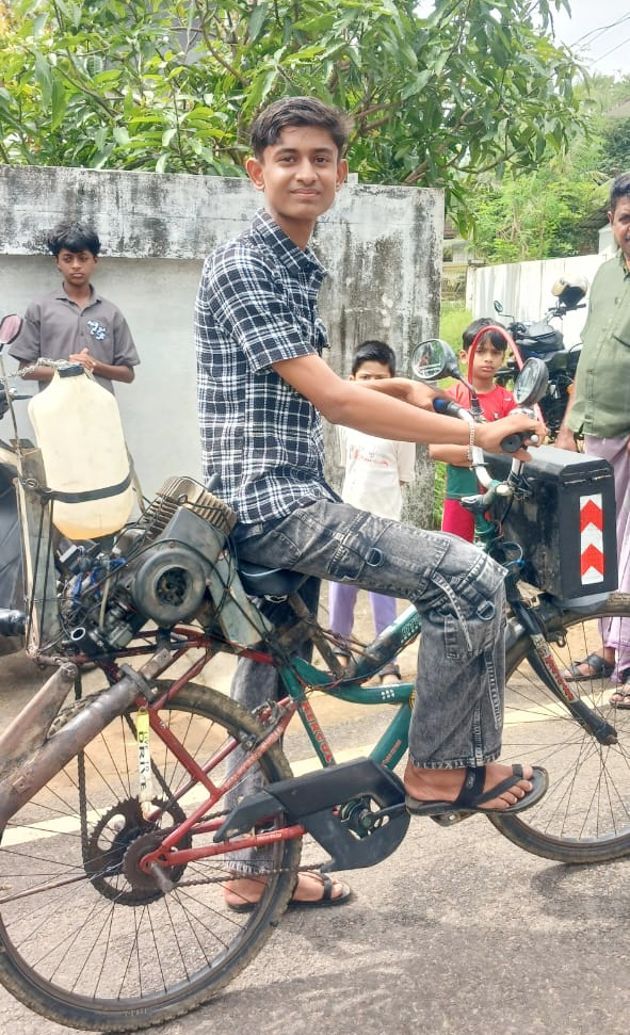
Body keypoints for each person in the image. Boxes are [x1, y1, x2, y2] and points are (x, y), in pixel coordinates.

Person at [194, 95, 546, 911]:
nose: (306, 172)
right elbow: (337, 403)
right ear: (258, 172)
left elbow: (333, 383)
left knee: (270, 686)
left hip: (266, 501)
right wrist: (475, 434)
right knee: (469, 578)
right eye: (288, 158)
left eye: (321, 158)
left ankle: (251, 867)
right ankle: (438, 765)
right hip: (278, 504)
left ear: (341, 173)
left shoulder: (287, 262)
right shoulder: (251, 263)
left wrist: (421, 392)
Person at [556, 171, 630, 705]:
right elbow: (588, 353)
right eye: (627, 219)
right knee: (596, 548)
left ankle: (628, 659)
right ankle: (608, 650)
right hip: (596, 425)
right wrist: (567, 423)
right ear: (612, 221)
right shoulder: (605, 275)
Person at [328, 339, 416, 682]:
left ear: (393, 382)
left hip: (385, 524)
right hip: (350, 518)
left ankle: (386, 661)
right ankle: (339, 650)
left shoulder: (401, 427)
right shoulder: (345, 423)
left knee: (383, 594)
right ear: (352, 379)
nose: (372, 384)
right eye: (365, 377)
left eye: (380, 378)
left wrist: (384, 516)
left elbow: (403, 477)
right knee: (341, 588)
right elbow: (346, 465)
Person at [9, 222, 139, 394]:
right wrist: (66, 371)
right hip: (54, 409)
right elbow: (26, 370)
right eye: (68, 259)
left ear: (95, 261)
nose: (76, 265)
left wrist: (94, 365)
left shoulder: (111, 313)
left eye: (83, 258)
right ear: (57, 262)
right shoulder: (40, 308)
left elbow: (128, 374)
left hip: (100, 409)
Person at [430, 319, 515, 542]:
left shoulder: (507, 400)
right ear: (464, 356)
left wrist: (469, 452)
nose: (488, 358)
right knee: (453, 552)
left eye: (496, 352)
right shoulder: (451, 398)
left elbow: (517, 446)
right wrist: (486, 452)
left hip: (497, 493)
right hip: (460, 491)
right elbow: (437, 449)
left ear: (503, 357)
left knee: (495, 551)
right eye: (480, 351)